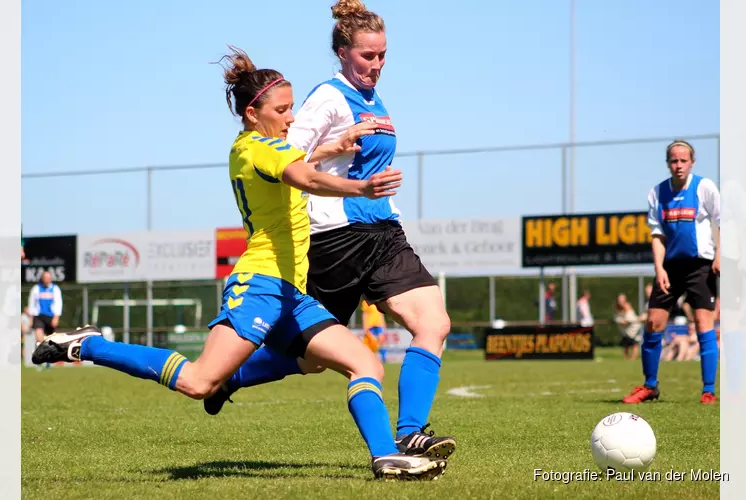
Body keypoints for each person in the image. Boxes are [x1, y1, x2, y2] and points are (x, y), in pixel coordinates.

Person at [32, 48, 446, 481]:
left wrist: (330, 148)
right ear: (253, 113)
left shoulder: (263, 148)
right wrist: (360, 188)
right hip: (260, 288)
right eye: (282, 110)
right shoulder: (258, 148)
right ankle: (89, 345)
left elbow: (298, 163)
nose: (291, 118)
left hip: (292, 294)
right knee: (198, 382)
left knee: (364, 364)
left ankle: (386, 458)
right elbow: (304, 177)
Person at [204, 0, 456, 461]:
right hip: (335, 240)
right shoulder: (327, 97)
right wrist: (342, 165)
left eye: (382, 55)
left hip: (383, 232)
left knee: (434, 323)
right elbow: (287, 158)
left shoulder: (373, 99)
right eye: (367, 56)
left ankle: (411, 432)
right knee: (312, 357)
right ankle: (229, 376)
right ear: (342, 51)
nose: (376, 65)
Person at [622, 140, 720, 405]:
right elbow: (657, 235)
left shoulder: (704, 187)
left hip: (701, 265)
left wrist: (719, 257)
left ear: (692, 162)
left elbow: (723, 222)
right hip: (670, 268)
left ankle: (708, 390)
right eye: (674, 161)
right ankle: (650, 387)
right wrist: (659, 269)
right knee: (653, 323)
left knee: (703, 325)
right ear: (668, 163)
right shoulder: (657, 193)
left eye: (683, 160)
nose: (678, 165)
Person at [27, 270, 63, 369]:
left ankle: (48, 361)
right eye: (45, 278)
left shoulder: (55, 289)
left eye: (49, 278)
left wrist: (56, 317)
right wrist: (31, 319)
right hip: (39, 316)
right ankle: (38, 361)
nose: (47, 280)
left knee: (49, 341)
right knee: (39, 339)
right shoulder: (36, 289)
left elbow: (58, 303)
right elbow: (32, 304)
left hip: (50, 317)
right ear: (42, 279)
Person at [613, 294, 642, 361]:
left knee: (635, 344)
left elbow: (630, 318)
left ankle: (633, 359)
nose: (621, 301)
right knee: (625, 345)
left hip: (634, 328)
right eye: (620, 299)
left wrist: (625, 321)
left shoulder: (628, 306)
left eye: (622, 299)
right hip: (625, 330)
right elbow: (616, 318)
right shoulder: (616, 307)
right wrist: (620, 321)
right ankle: (626, 359)